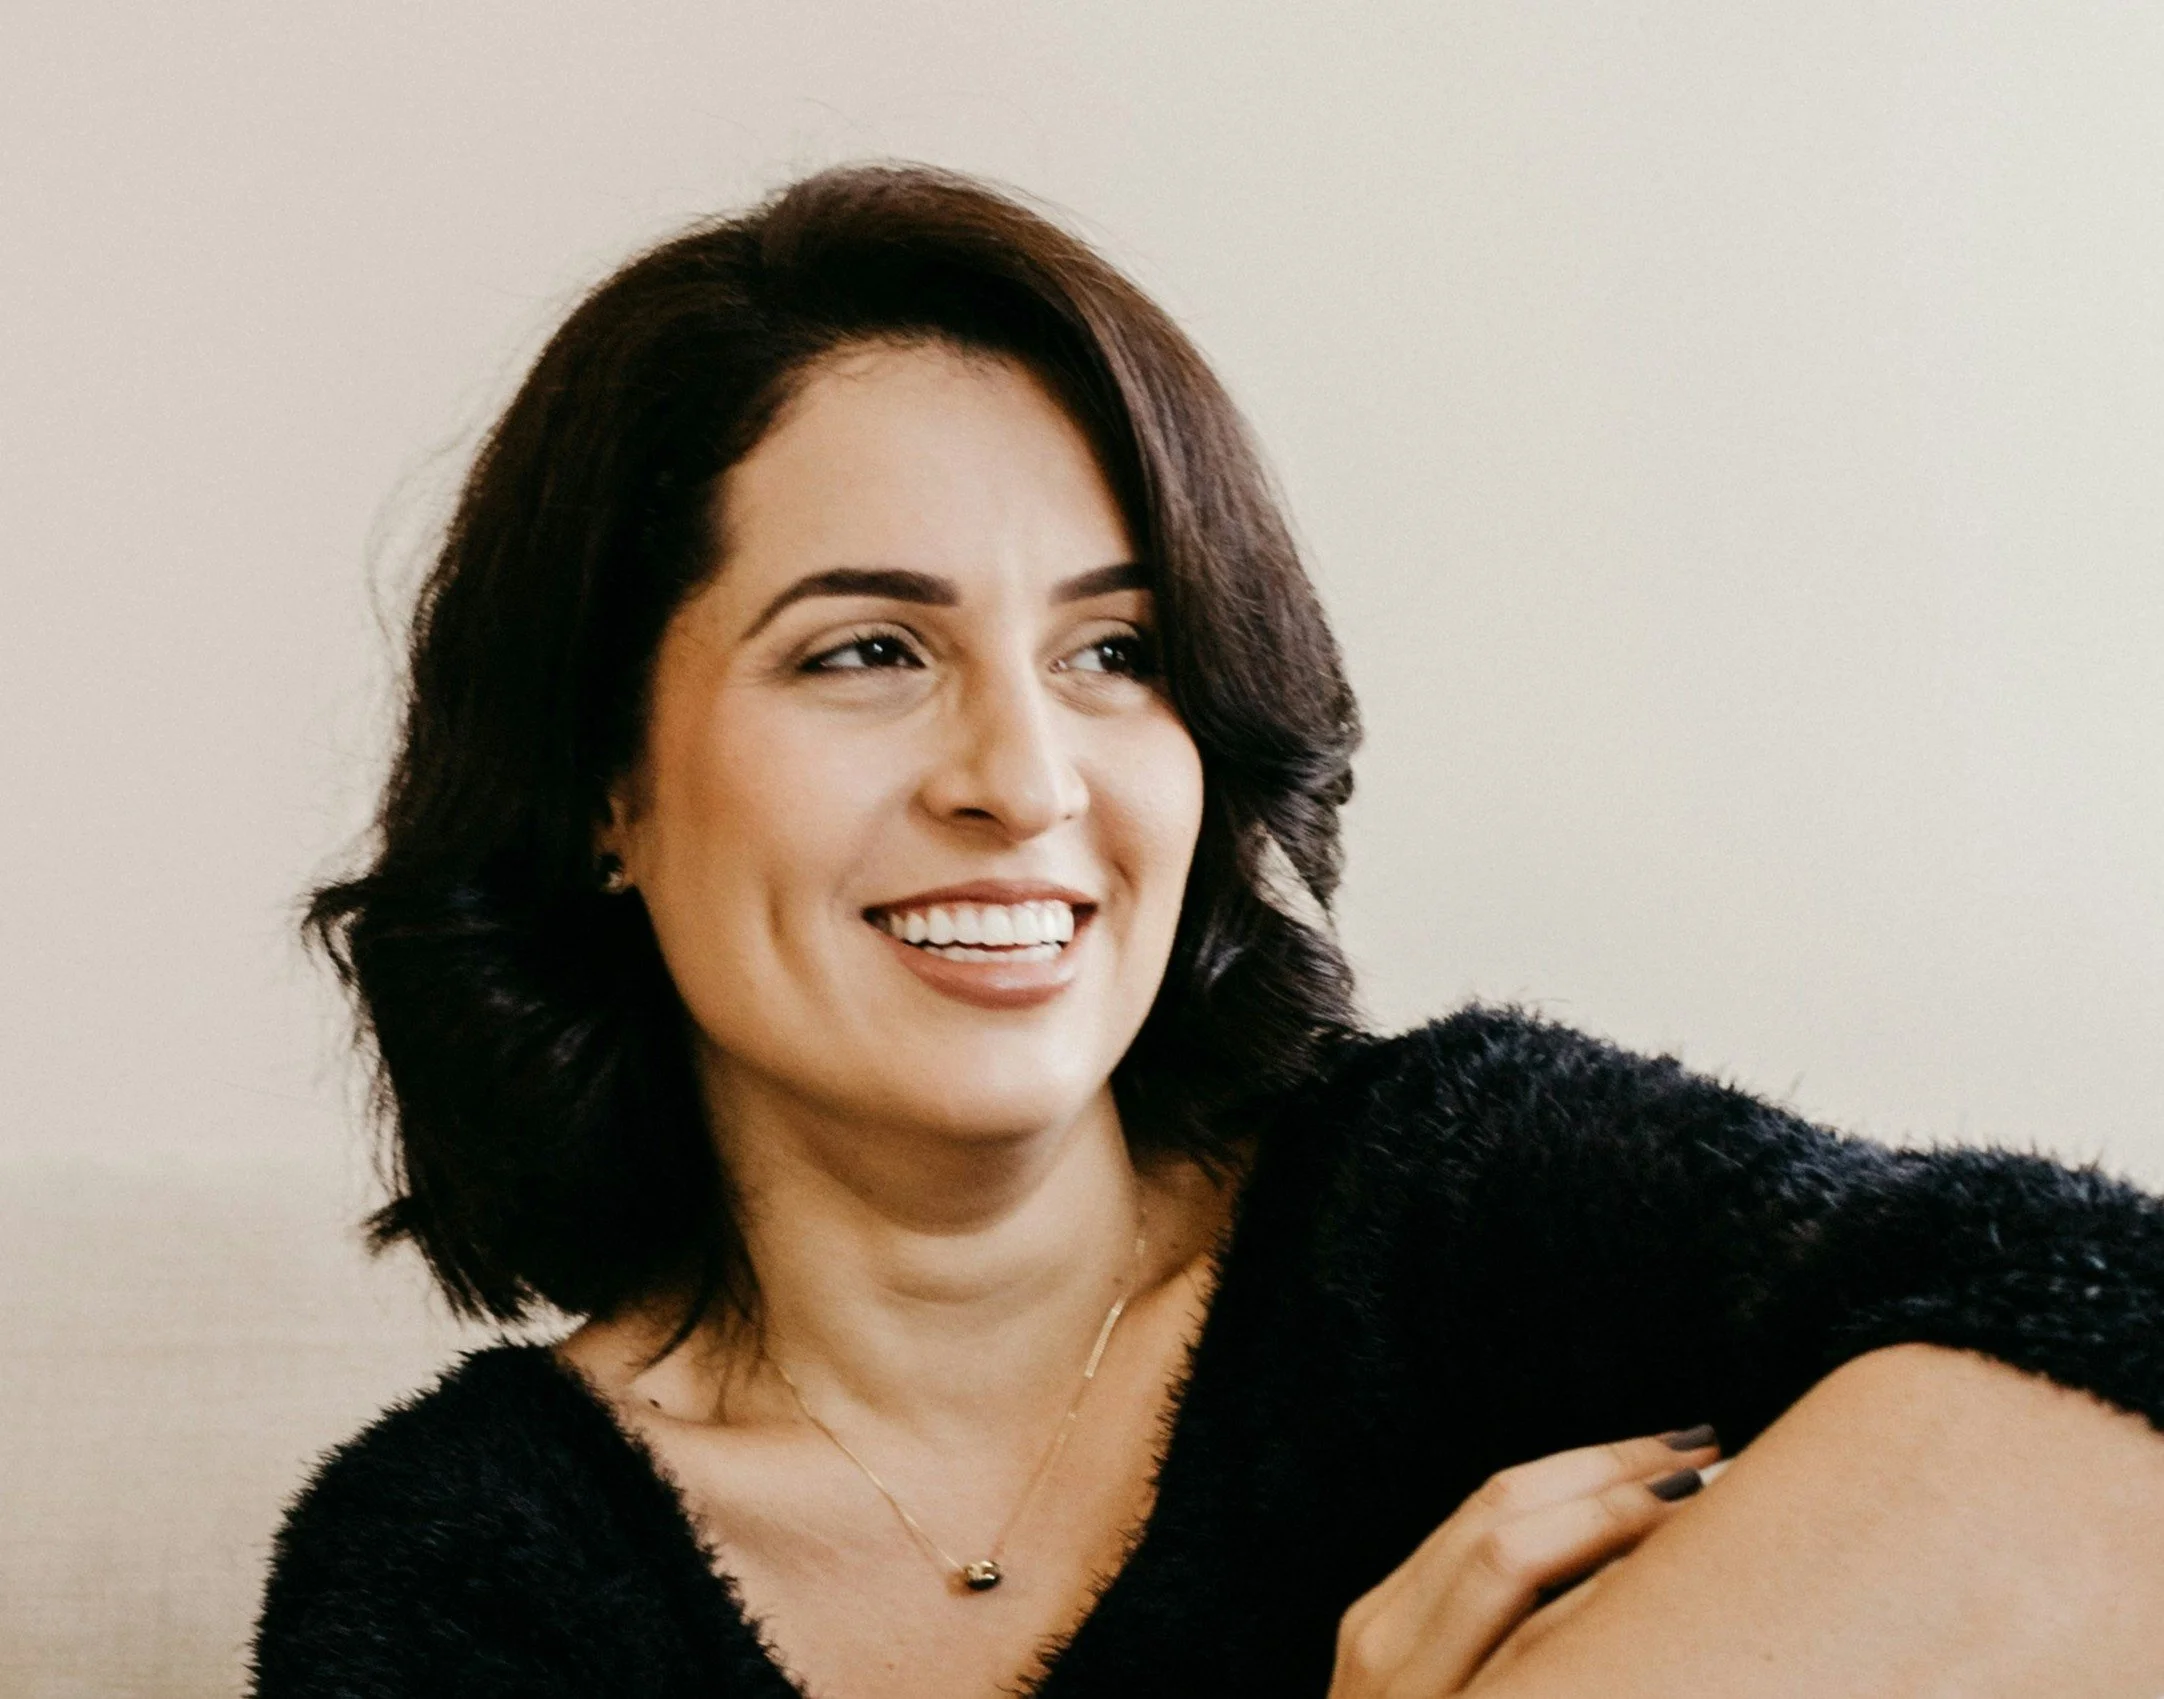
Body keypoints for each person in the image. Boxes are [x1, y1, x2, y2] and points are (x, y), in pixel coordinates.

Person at [252, 164, 2164, 1698]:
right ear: (606, 783)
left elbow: (2112, 1353)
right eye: (867, 651)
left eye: (1116, 652)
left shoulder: (1459, 1209)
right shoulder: (467, 1570)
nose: (1024, 774)